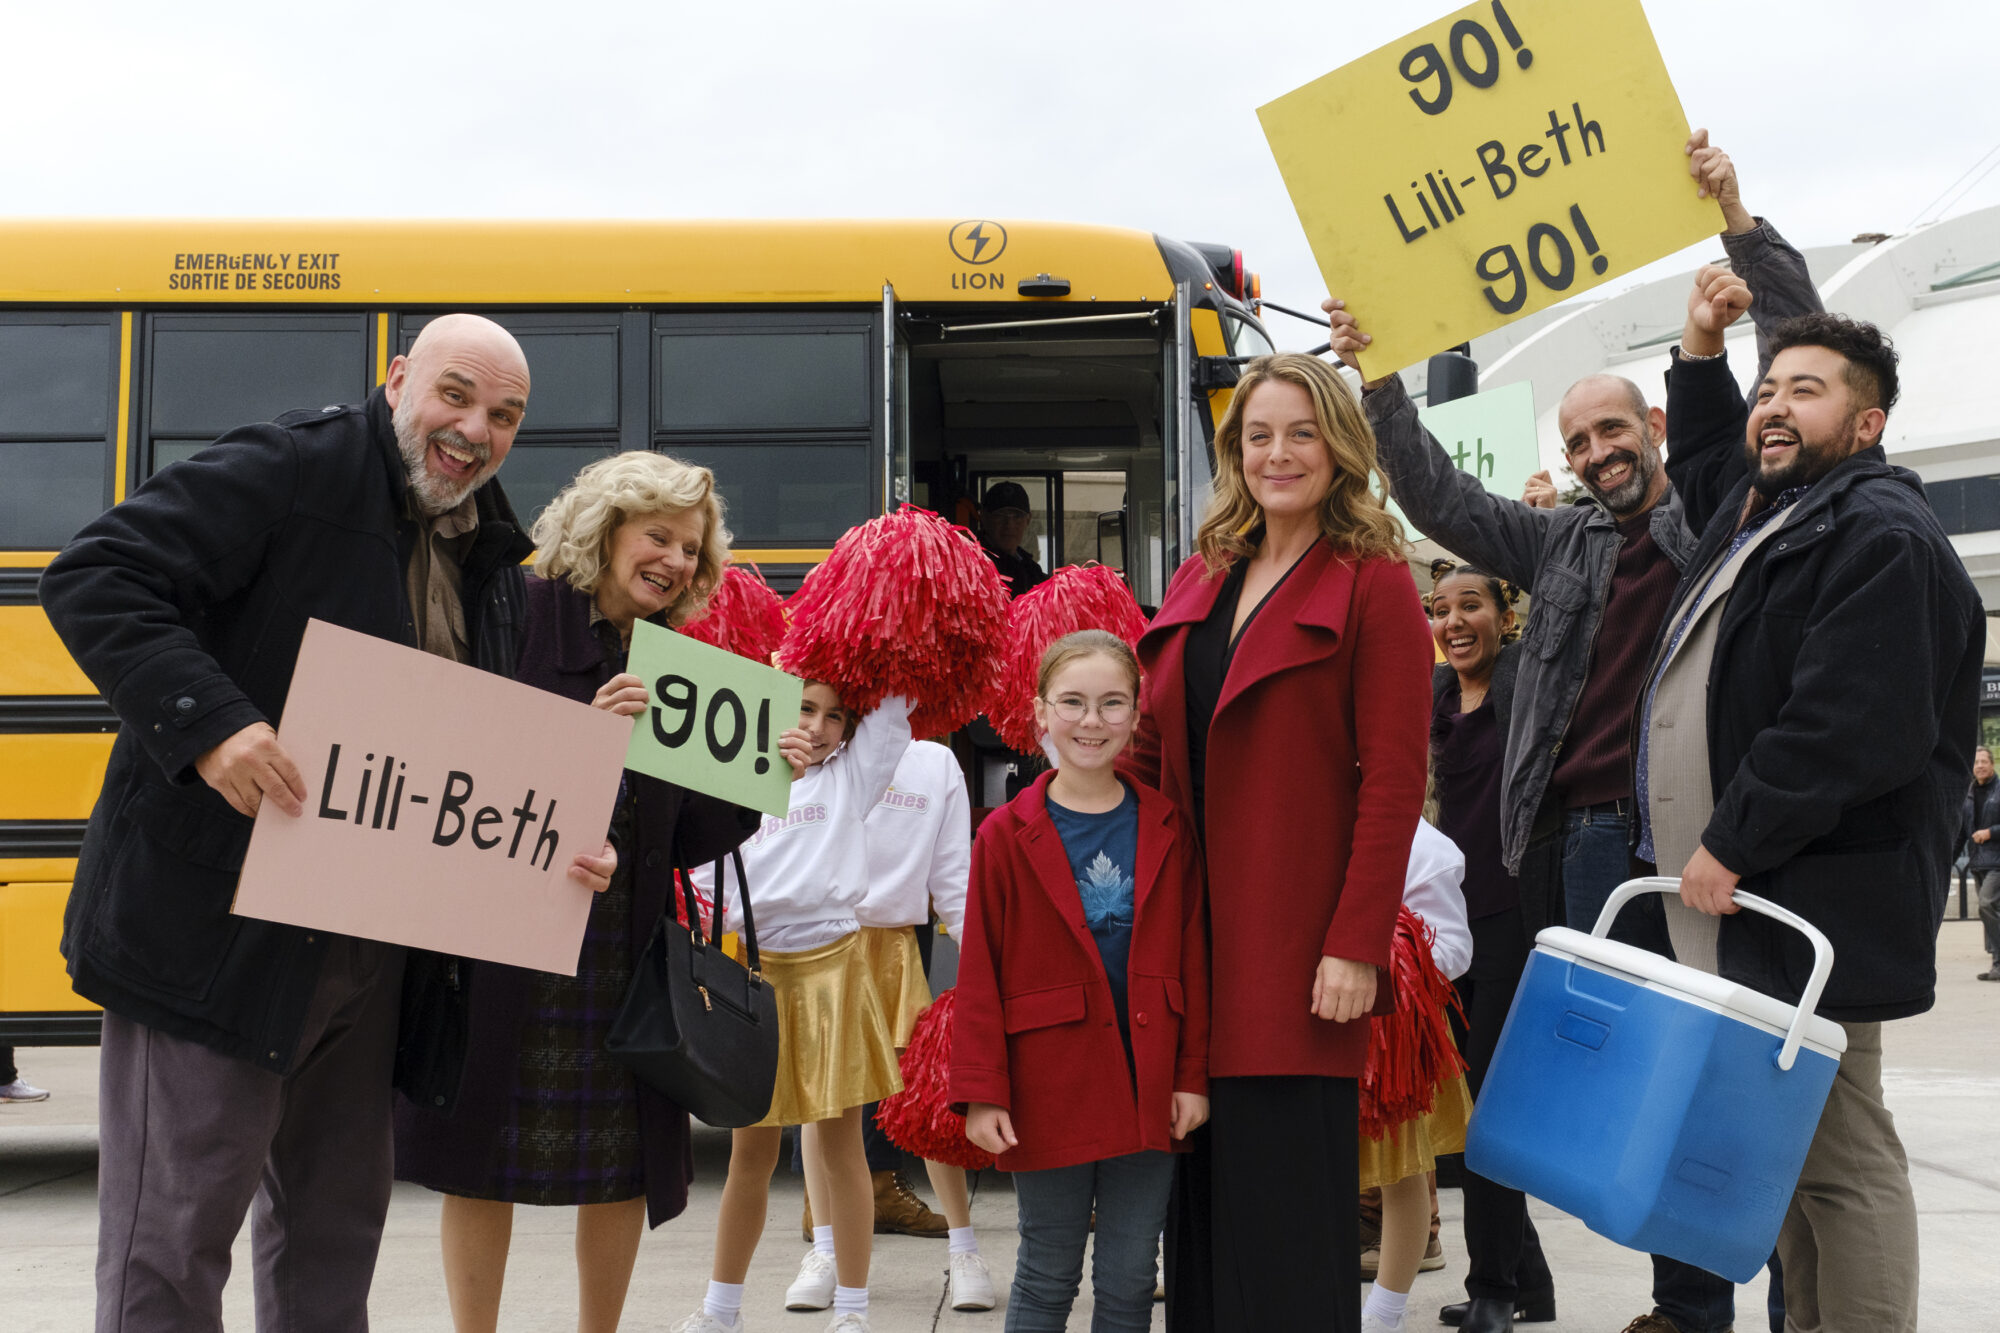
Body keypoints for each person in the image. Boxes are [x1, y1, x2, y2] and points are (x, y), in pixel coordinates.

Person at [1327, 130, 1818, 1333]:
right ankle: (1508, 1284)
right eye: (1579, 445)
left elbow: (1799, 367)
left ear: (1653, 423)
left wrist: (1738, 224)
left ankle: (1686, 1310)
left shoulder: (1717, 513)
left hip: (1656, 840)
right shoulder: (1557, 543)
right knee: (1527, 1074)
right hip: (1540, 843)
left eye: (1612, 432)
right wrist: (1376, 378)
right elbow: (1436, 496)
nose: (1598, 455)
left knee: (1671, 1069)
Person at [39, 314, 619, 1331]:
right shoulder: (292, 466)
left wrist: (556, 842)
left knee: (333, 1240)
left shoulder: (490, 555)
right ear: (397, 380)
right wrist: (213, 727)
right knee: (171, 1242)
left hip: (370, 956)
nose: (474, 430)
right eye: (455, 395)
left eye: (504, 415)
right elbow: (95, 573)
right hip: (212, 934)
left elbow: (474, 759)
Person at [1639, 281, 1981, 1333]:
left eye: (1807, 390)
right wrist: (1701, 349)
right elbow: (1709, 455)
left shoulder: (1878, 533)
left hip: (1807, 899)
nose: (1776, 406)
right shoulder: (1775, 514)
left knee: (1838, 1155)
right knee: (1787, 1154)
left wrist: (1728, 840)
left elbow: (1845, 726)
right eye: (1768, 389)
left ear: (1866, 424)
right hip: (1757, 901)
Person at [393, 452, 759, 1333]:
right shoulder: (511, 613)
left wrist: (759, 779)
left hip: (621, 953)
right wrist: (578, 743)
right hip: (504, 947)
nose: (675, 561)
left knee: (622, 1166)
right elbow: (451, 777)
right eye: (659, 536)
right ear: (607, 529)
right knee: (481, 1160)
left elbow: (688, 837)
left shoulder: (678, 662)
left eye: (691, 548)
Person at [1122, 350, 1432, 1333]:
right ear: (1235, 450)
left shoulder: (1375, 580)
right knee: (1200, 1225)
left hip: (1298, 950)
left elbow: (1394, 779)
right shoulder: (1204, 569)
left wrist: (1355, 941)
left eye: (1300, 433)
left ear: (1336, 446)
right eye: (1258, 435)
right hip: (1187, 941)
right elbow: (1145, 745)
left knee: (1287, 1228)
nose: (1278, 454)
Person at [953, 630, 1210, 1333]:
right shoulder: (1004, 834)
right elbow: (980, 972)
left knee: (1131, 1276)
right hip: (1047, 1082)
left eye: (1111, 703)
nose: (1091, 720)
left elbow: (1193, 959)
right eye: (1072, 702)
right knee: (1047, 1270)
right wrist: (983, 1091)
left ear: (1136, 714)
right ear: (1040, 712)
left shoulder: (1167, 825)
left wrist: (1191, 1075)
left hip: (1148, 1081)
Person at [672, 687, 912, 1333]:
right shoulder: (736, 783)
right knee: (749, 1154)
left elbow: (895, 695)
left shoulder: (852, 775)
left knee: (843, 1151)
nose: (820, 726)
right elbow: (700, 880)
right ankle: (721, 1310)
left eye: (837, 715)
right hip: (756, 975)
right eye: (806, 707)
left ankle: (853, 1311)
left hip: (836, 970)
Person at [792, 736, 991, 1314]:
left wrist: (982, 973)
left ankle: (965, 1249)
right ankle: (825, 1251)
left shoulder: (934, 762)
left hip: (895, 946)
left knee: (926, 1097)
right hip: (821, 938)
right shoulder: (819, 747)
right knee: (824, 1102)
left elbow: (953, 876)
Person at [1423, 564, 1557, 1331]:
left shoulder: (1526, 685)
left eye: (1470, 604)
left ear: (1506, 615)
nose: (1453, 621)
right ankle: (1527, 1280)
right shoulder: (1436, 697)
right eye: (1440, 609)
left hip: (1511, 918)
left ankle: (1495, 1288)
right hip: (1448, 926)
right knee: (1472, 1101)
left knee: (1488, 1109)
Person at [1359, 816, 1474, 1333]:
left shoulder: (1424, 847)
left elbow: (1454, 948)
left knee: (1402, 1171)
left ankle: (1386, 1313)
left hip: (1393, 1038)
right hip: (1315, 1021)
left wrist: (1386, 950)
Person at [1963, 747, 2000, 980]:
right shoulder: (1968, 794)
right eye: (1976, 762)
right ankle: (1996, 964)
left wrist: (1990, 832)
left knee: (1986, 905)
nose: (1979, 766)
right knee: (1991, 912)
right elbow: (1961, 831)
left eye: (1984, 761)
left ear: (1992, 764)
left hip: (1997, 861)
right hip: (1978, 862)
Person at [977, 482, 1049, 597]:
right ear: (984, 517)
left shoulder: (1032, 570)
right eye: (1000, 515)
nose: (1009, 524)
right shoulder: (972, 564)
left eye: (1017, 516)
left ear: (1028, 519)